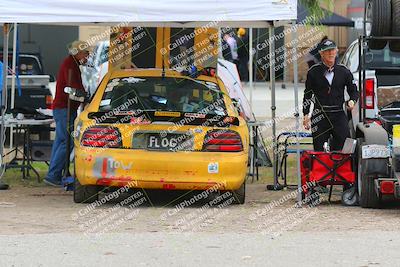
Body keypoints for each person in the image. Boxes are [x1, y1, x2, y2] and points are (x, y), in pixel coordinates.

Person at [44, 40, 89, 186]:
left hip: (65, 108)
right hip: (64, 108)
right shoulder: (70, 65)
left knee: (60, 142)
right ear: (77, 53)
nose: (87, 56)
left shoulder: (72, 64)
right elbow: (74, 87)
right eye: (85, 53)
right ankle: (54, 175)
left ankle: (56, 172)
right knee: (66, 142)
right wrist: (85, 96)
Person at [302, 39, 358, 151]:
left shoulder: (344, 71)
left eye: (332, 50)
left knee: (342, 149)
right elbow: (308, 94)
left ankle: (339, 168)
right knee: (319, 149)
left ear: (336, 51)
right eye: (327, 51)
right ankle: (321, 168)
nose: (331, 53)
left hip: (338, 114)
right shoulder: (313, 72)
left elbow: (353, 90)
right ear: (321, 53)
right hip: (319, 115)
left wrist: (352, 100)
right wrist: (305, 114)